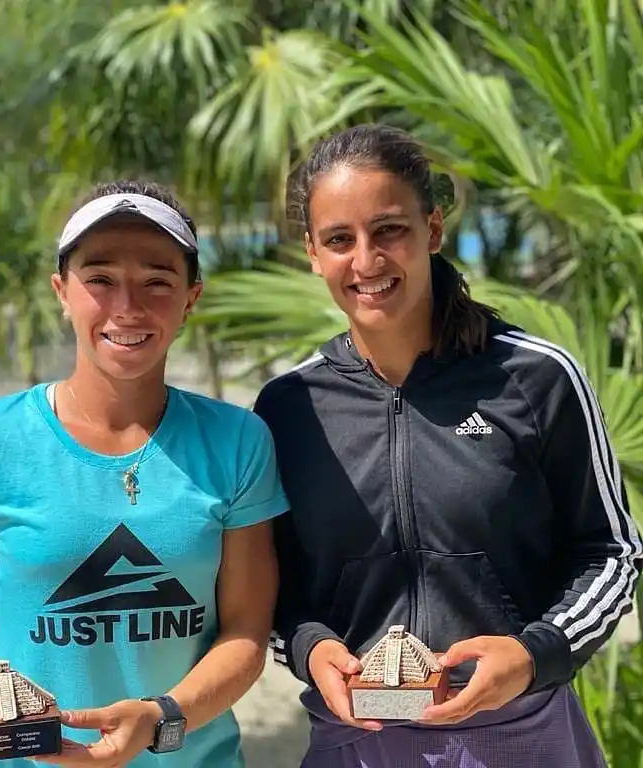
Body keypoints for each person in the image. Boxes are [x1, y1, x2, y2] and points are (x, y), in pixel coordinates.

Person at [253, 124, 643, 767]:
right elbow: (272, 587)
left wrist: (533, 654)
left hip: (521, 736)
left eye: (389, 230)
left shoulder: (536, 378)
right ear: (313, 253)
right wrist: (310, 648)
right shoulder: (288, 408)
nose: (367, 261)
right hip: (358, 745)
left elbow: (612, 551)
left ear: (432, 229)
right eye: (340, 240)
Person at [0, 180, 288, 768]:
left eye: (157, 281)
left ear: (191, 298)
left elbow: (247, 632)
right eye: (100, 279)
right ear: (62, 291)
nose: (127, 306)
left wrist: (160, 718)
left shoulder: (236, 441)